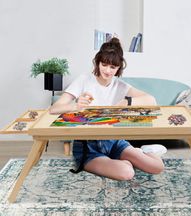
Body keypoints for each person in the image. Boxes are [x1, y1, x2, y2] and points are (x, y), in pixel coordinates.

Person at [49, 37, 165, 180]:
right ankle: (127, 161)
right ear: (97, 62)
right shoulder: (83, 80)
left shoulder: (120, 86)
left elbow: (151, 100)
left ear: (118, 68)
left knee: (157, 167)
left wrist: (127, 102)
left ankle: (142, 152)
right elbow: (54, 109)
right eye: (104, 65)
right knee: (127, 172)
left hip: (115, 141)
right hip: (88, 147)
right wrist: (76, 104)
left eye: (113, 67)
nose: (108, 71)